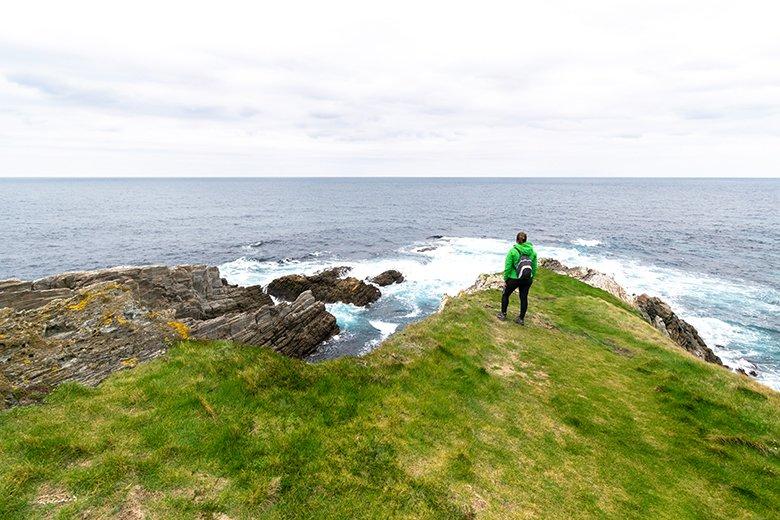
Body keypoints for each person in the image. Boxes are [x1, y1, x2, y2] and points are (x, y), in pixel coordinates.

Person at [497, 231, 537, 325]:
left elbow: (508, 267)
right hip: (527, 278)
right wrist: (532, 276)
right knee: (524, 298)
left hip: (514, 278)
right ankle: (521, 319)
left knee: (506, 294)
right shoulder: (532, 251)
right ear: (526, 240)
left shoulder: (513, 251)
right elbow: (534, 267)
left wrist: (506, 279)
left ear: (516, 240)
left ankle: (503, 314)